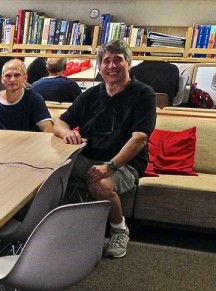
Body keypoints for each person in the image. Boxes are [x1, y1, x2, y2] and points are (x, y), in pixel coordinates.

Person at [53, 39, 156, 258]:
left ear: (128, 63)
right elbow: (59, 123)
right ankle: (53, 229)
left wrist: (110, 166)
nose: (111, 66)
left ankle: (120, 230)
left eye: (117, 60)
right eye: (106, 61)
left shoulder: (143, 94)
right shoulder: (90, 95)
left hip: (124, 164)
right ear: (99, 67)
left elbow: (140, 138)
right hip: (87, 157)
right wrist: (67, 133)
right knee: (49, 171)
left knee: (100, 184)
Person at [0, 59, 53, 132]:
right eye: (8, 76)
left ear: (25, 78)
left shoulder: (34, 99)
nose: (12, 79)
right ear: (2, 79)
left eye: (17, 75)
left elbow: (48, 130)